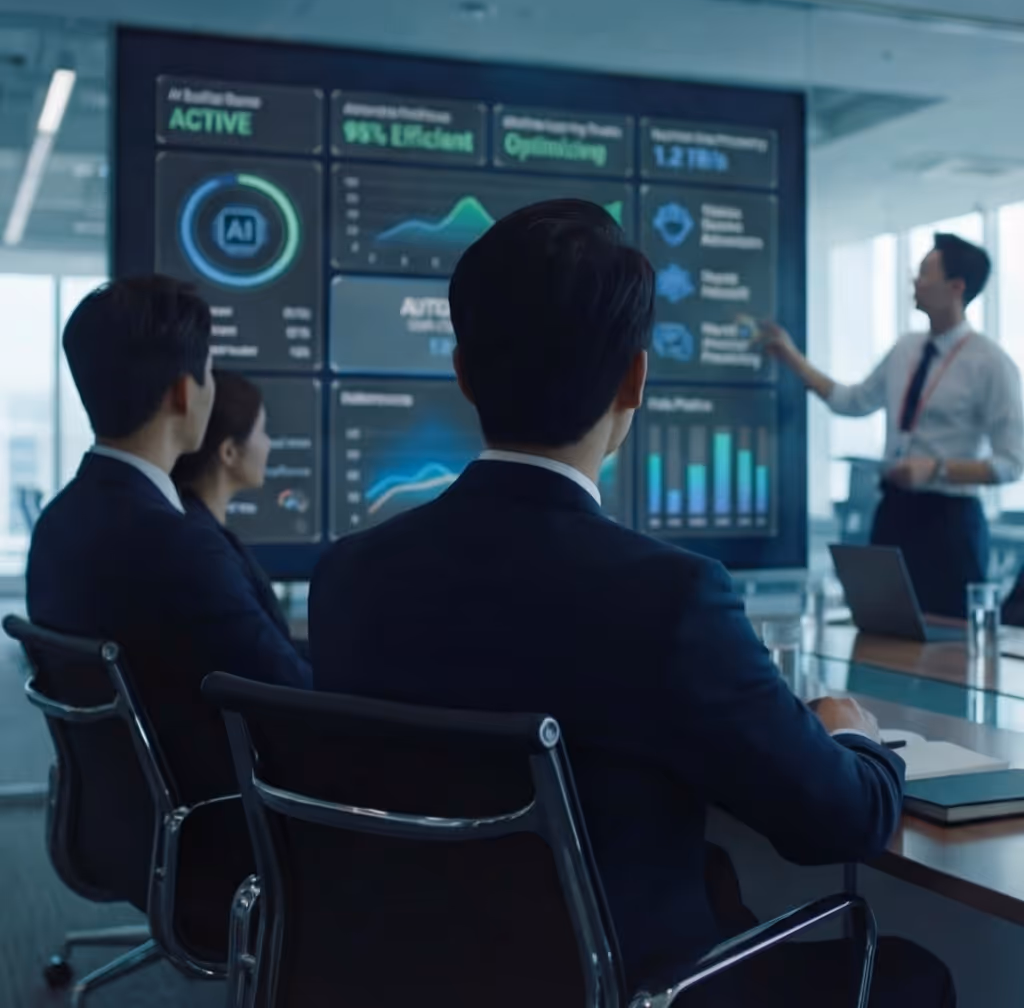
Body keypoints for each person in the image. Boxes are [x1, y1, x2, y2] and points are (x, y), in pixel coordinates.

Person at [309, 200, 953, 1006]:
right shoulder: (669, 597)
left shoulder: (348, 576)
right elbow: (839, 821)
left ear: (463, 371)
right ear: (634, 379)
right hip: (621, 985)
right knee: (913, 977)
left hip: (398, 975)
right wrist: (852, 735)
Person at [27, 276, 311, 956]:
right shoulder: (177, 545)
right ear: (185, 393)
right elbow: (296, 704)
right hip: (218, 840)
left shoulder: (58, 524)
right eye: (208, 371)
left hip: (121, 826)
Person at [765, 233, 1024, 618]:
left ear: (956, 287)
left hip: (950, 521)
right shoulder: (905, 349)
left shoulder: (991, 364)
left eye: (925, 274)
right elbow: (852, 401)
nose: (915, 282)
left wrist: (936, 469)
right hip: (894, 511)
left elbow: (1011, 464)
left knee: (948, 639)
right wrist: (791, 358)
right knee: (881, 624)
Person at [172, 369, 294, 644]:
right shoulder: (208, 551)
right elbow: (269, 660)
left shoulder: (192, 525)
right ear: (229, 452)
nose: (268, 444)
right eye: (262, 432)